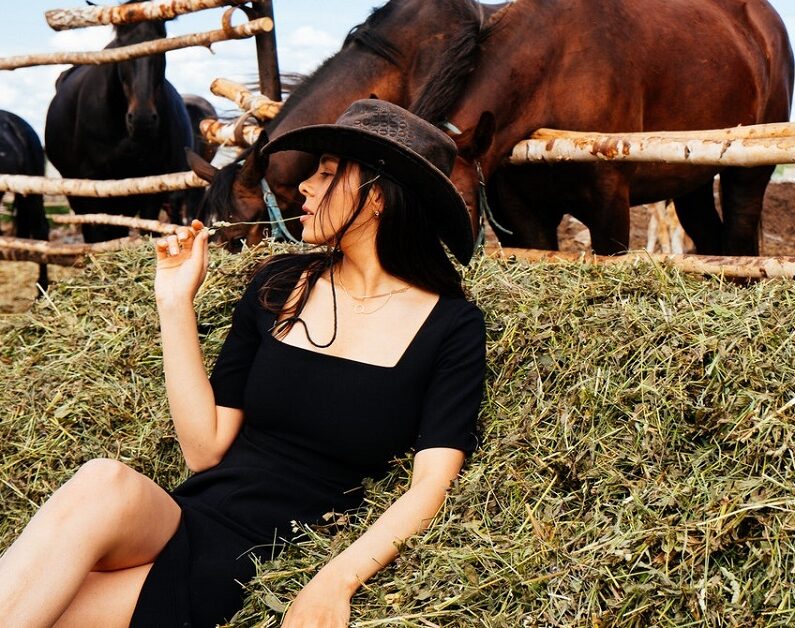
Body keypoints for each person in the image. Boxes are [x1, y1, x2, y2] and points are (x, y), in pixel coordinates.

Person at [0, 99, 486, 627]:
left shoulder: (451, 327)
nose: (304, 187)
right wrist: (174, 300)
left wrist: (334, 581)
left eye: (326, 174)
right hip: (191, 513)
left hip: (261, 555)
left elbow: (431, 485)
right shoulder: (280, 284)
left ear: (377, 198)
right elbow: (204, 451)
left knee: (52, 609)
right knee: (101, 480)